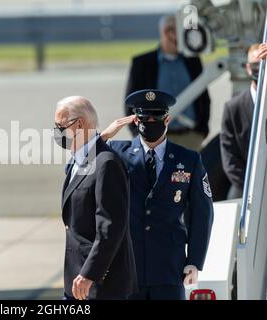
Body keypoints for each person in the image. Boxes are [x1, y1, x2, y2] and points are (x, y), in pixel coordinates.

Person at [101, 89, 214, 300]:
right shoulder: (117, 153)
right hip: (128, 267)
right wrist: (103, 136)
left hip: (169, 267)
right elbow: (76, 169)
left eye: (156, 118)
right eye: (145, 118)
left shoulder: (188, 159)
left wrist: (195, 261)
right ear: (136, 121)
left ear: (167, 119)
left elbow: (202, 213)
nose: (150, 123)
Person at [53, 96, 137, 300]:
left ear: (79, 124)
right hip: (76, 281)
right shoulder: (78, 162)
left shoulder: (106, 164)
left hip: (99, 284)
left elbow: (109, 227)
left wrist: (89, 274)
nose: (56, 132)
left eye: (60, 125)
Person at [125, 15, 211, 151]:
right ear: (168, 32)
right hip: (156, 140)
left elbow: (203, 98)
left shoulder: (193, 61)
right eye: (182, 32)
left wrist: (201, 131)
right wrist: (142, 135)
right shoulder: (142, 63)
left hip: (191, 137)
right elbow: (131, 103)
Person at [220, 43, 267, 199]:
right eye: (255, 65)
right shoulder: (233, 108)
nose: (259, 69)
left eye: (264, 64)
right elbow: (229, 158)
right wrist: (252, 188)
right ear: (247, 68)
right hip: (245, 189)